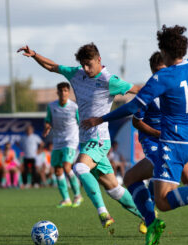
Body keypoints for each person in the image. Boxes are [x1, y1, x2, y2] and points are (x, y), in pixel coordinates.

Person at [82, 11, 188, 245]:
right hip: (186, 143)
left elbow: (132, 106)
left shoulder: (162, 77)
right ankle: (152, 224)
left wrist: (101, 118)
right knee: (129, 178)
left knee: (163, 201)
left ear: (165, 53)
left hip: (170, 144)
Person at [18, 42, 146, 233]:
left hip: (100, 139)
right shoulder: (77, 73)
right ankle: (149, 217)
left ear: (99, 60)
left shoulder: (109, 80)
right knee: (113, 188)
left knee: (79, 167)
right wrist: (35, 54)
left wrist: (162, 95)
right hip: (86, 140)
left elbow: (139, 90)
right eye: (83, 65)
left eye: (89, 65)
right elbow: (53, 67)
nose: (86, 69)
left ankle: (103, 213)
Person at [129, 51, 188, 236]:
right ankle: (148, 217)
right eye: (157, 71)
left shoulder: (175, 87)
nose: (161, 74)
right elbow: (136, 122)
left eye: (163, 70)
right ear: (152, 72)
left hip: (174, 139)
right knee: (157, 172)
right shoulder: (149, 92)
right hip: (153, 141)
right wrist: (157, 132)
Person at [43, 82, 83, 208]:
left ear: (68, 92)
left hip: (71, 140)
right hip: (57, 141)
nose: (63, 93)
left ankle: (77, 195)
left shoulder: (74, 107)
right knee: (58, 170)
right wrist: (47, 127)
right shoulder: (51, 106)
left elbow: (80, 122)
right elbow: (48, 120)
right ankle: (66, 199)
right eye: (61, 91)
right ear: (57, 92)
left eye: (66, 90)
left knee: (67, 167)